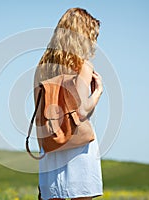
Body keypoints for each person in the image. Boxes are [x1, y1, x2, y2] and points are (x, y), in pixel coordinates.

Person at [34, 8, 104, 200]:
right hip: (77, 146)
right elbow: (81, 111)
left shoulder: (42, 67)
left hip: (52, 144)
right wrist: (98, 92)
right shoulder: (83, 66)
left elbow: (38, 111)